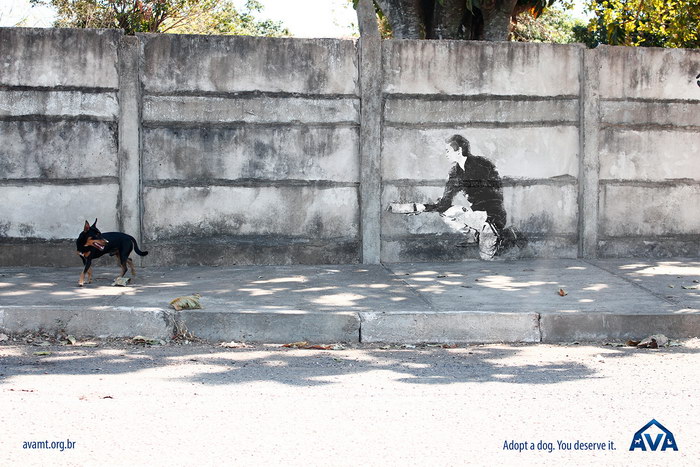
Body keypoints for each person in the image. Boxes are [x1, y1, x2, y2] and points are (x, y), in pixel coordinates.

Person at [395, 134, 526, 260]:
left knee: (487, 257)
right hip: (476, 215)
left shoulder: (482, 164)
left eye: (448, 151)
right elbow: (445, 203)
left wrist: (489, 218)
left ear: (459, 151)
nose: (446, 154)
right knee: (446, 212)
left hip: (492, 214)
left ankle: (508, 235)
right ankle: (475, 236)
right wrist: (423, 207)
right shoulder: (454, 173)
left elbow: (496, 193)